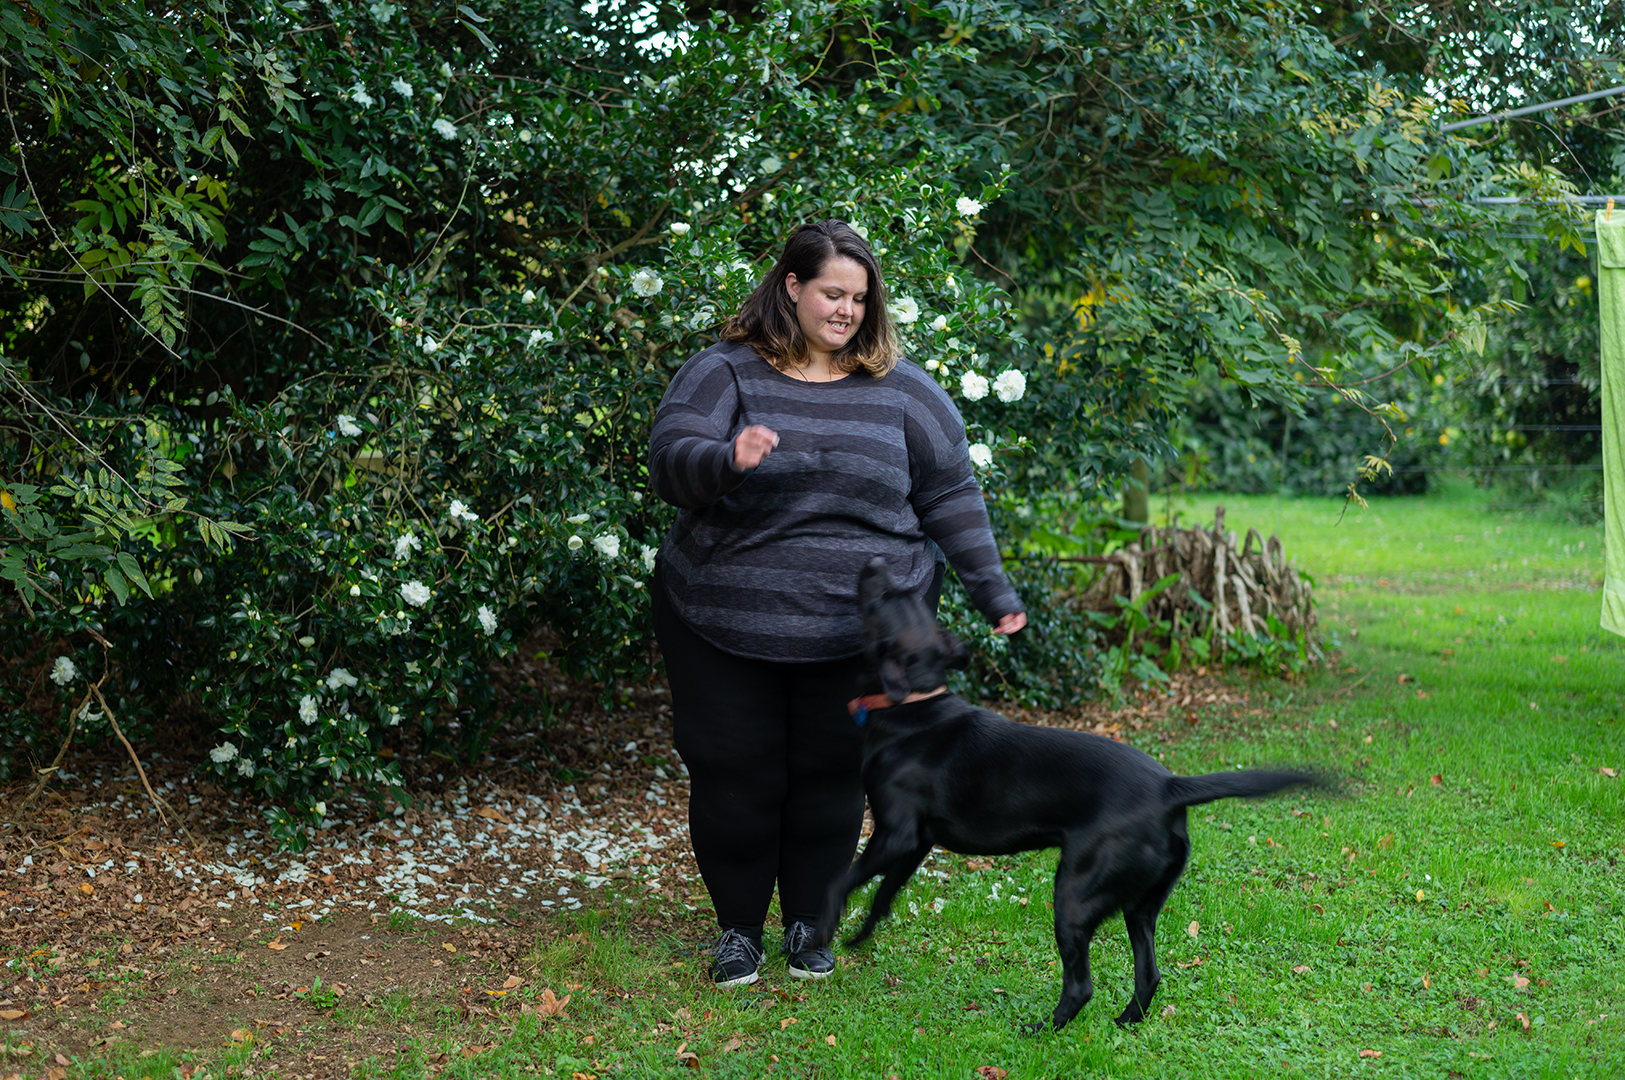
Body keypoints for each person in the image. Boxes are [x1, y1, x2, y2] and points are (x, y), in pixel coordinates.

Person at [647, 218, 1027, 987]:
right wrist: (728, 458)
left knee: (832, 776)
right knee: (735, 774)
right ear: (791, 287)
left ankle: (810, 926)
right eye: (831, 292)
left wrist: (992, 589)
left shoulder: (903, 390)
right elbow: (670, 461)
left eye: (858, 297)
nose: (846, 310)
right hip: (723, 622)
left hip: (858, 636)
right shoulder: (723, 373)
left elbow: (950, 492)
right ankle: (739, 931)